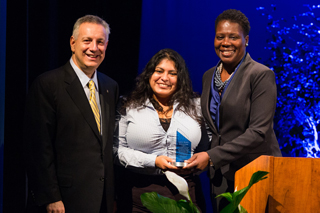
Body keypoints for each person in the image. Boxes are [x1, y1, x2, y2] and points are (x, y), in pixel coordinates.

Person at [184, 9, 282, 211]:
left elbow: (258, 132)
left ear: (246, 40)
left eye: (233, 37)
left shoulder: (261, 75)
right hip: (220, 175)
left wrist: (211, 156)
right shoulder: (208, 76)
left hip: (255, 172)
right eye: (220, 37)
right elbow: (212, 128)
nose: (225, 42)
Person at [23, 15, 119, 213]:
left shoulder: (111, 86)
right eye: (87, 40)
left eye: (100, 42)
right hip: (64, 202)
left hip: (103, 201)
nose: (94, 48)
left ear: (106, 45)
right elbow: (39, 147)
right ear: (72, 43)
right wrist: (51, 197)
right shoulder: (48, 84)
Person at [113, 48, 209, 212]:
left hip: (186, 193)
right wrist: (153, 161)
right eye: (159, 71)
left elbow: (209, 144)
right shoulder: (128, 105)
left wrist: (207, 158)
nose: (164, 78)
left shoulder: (197, 106)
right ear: (149, 74)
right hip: (139, 196)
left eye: (172, 73)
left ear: (181, 79)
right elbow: (116, 150)